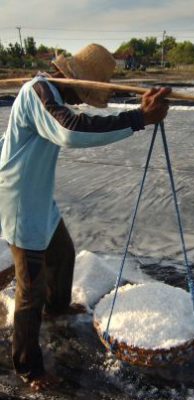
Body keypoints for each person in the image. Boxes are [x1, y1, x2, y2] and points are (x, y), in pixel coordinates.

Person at [0, 43, 171, 391]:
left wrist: (141, 111)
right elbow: (71, 129)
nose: (81, 101)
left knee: (62, 252)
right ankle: (28, 367)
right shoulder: (39, 92)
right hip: (20, 200)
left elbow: (69, 121)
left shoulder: (48, 92)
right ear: (77, 82)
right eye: (84, 94)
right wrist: (139, 118)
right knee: (30, 288)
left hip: (38, 194)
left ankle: (57, 307)